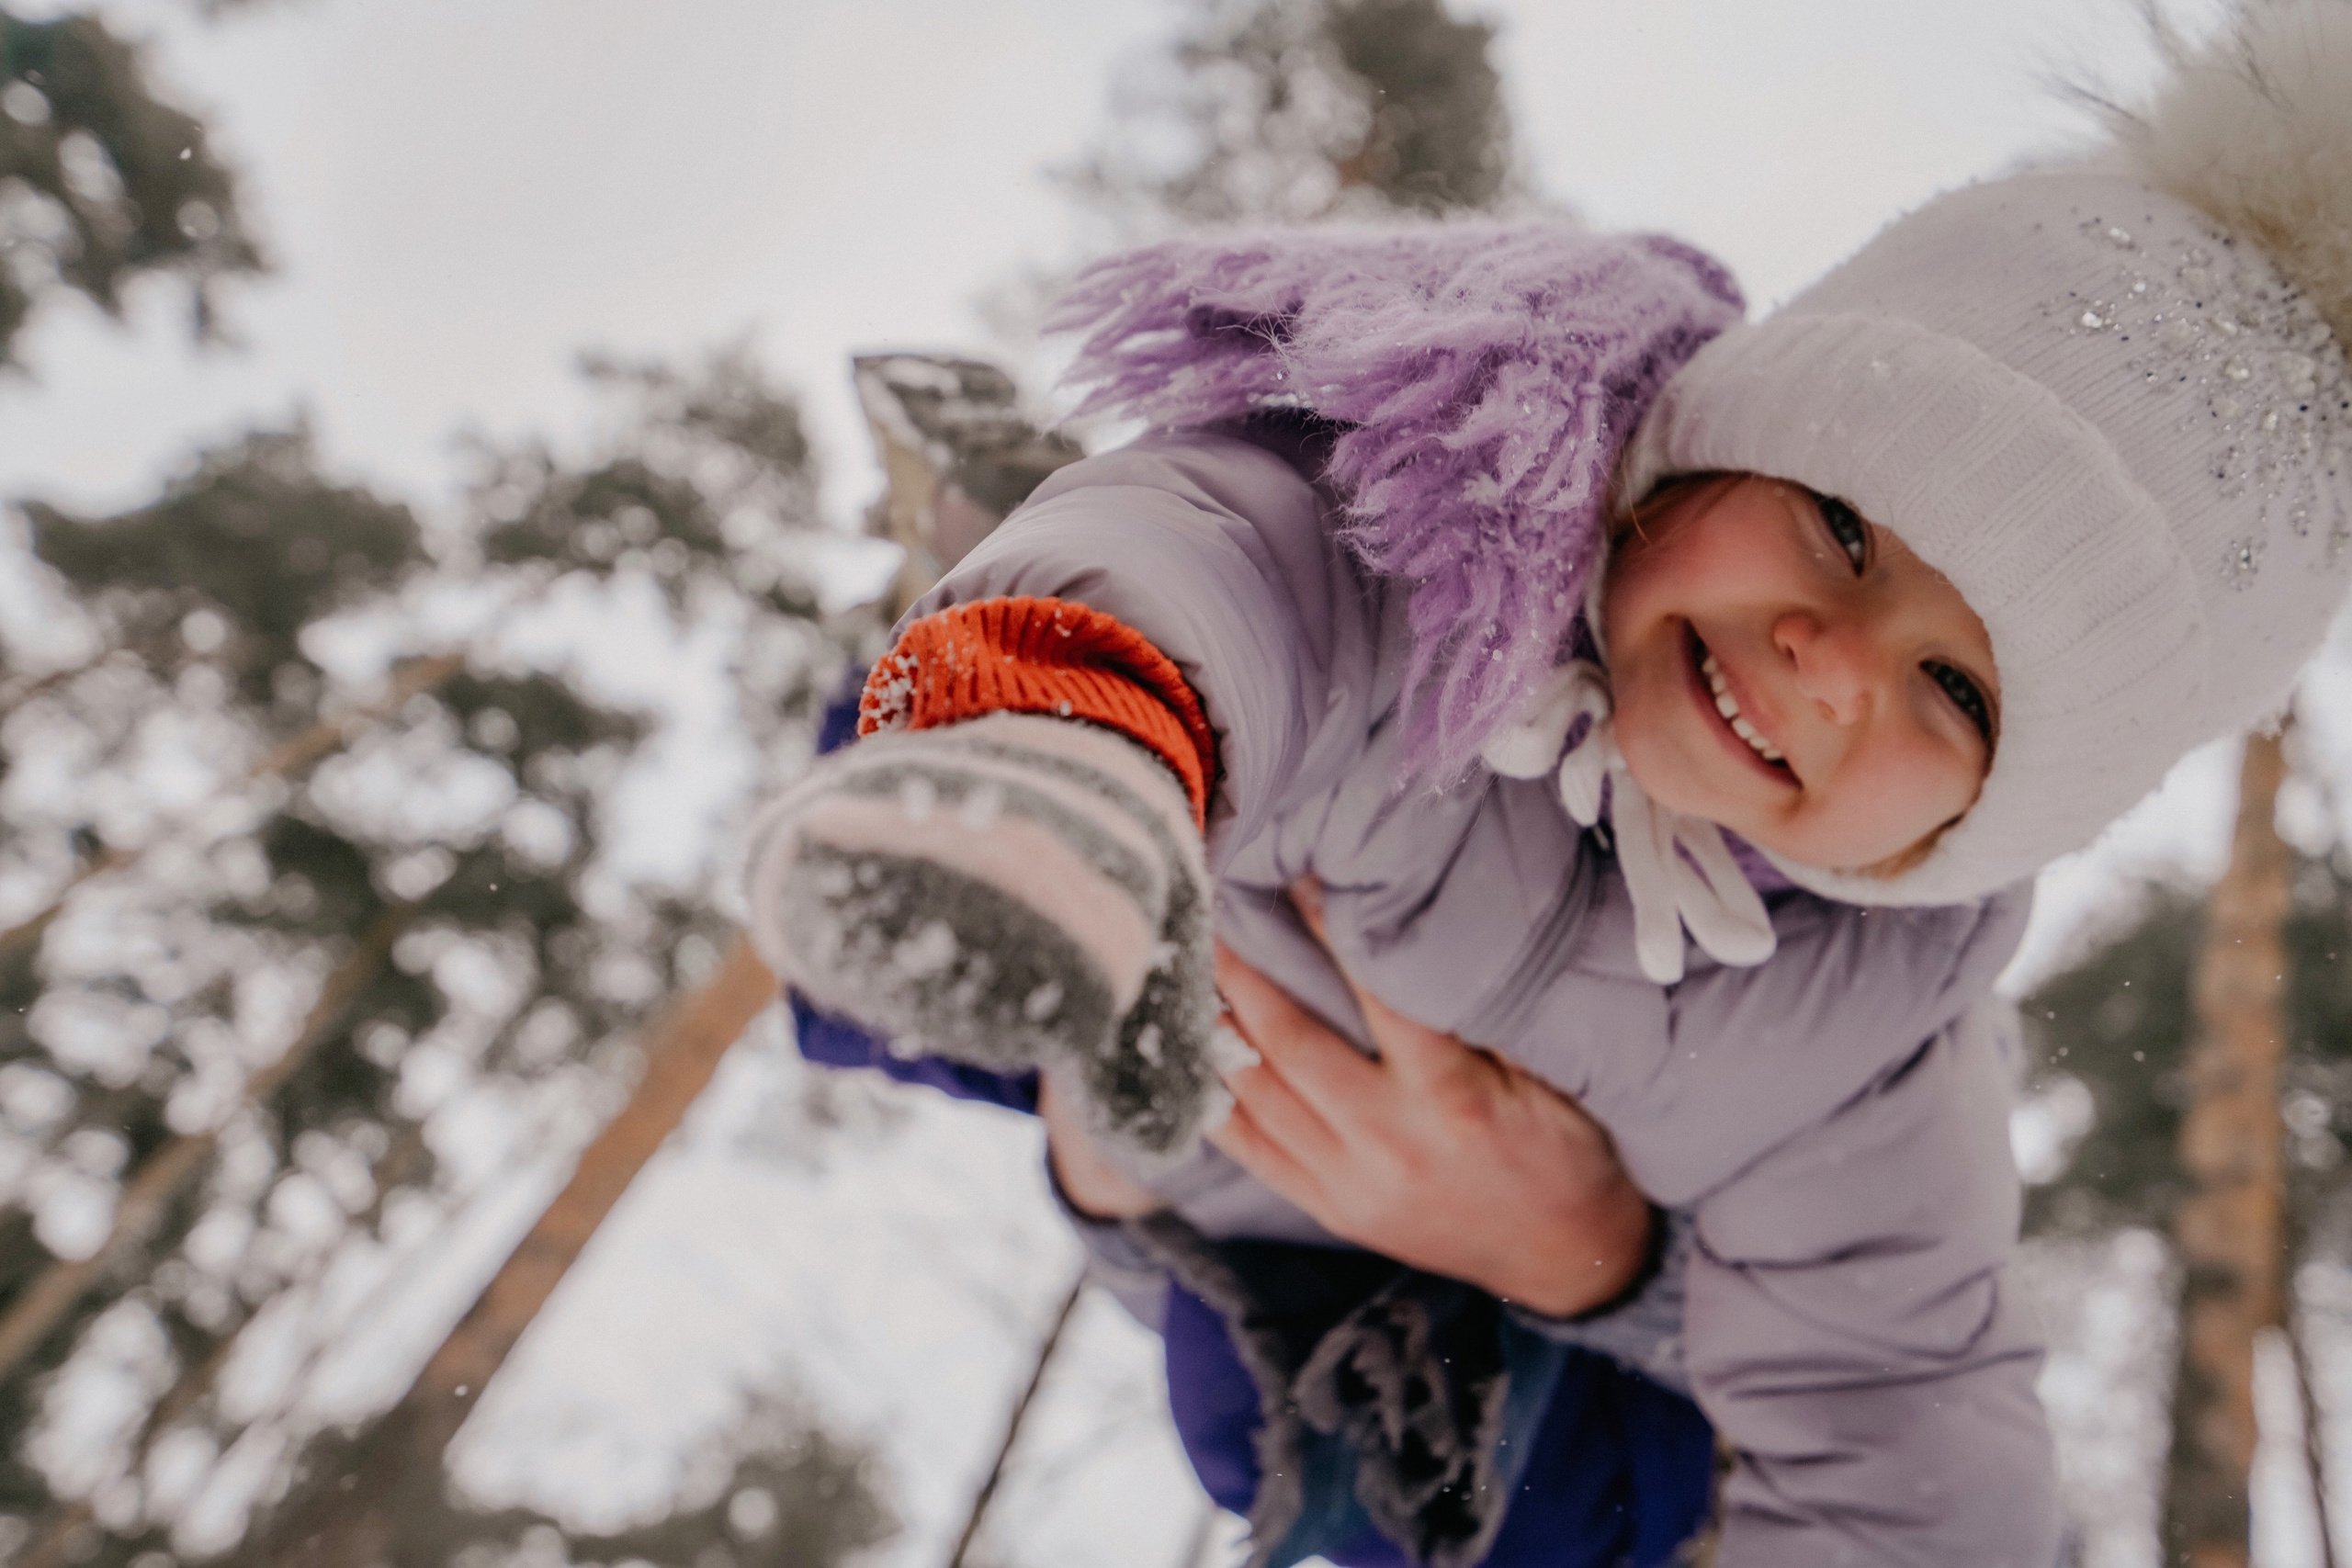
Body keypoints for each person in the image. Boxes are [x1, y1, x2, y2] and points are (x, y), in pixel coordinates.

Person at [749, 4, 2352, 1562]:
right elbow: (1238, 557)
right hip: (1168, 909)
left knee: (1563, 1498)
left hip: (1288, 1295)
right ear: (1708, 444)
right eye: (1845, 530)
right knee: (951, 801)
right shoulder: (1431, 552)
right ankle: (1013, 659)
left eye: (1956, 684)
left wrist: (1593, 1268)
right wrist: (1072, 746)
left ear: (1989, 822)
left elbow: (1905, 1421)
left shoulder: (1874, 1030)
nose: (1833, 658)